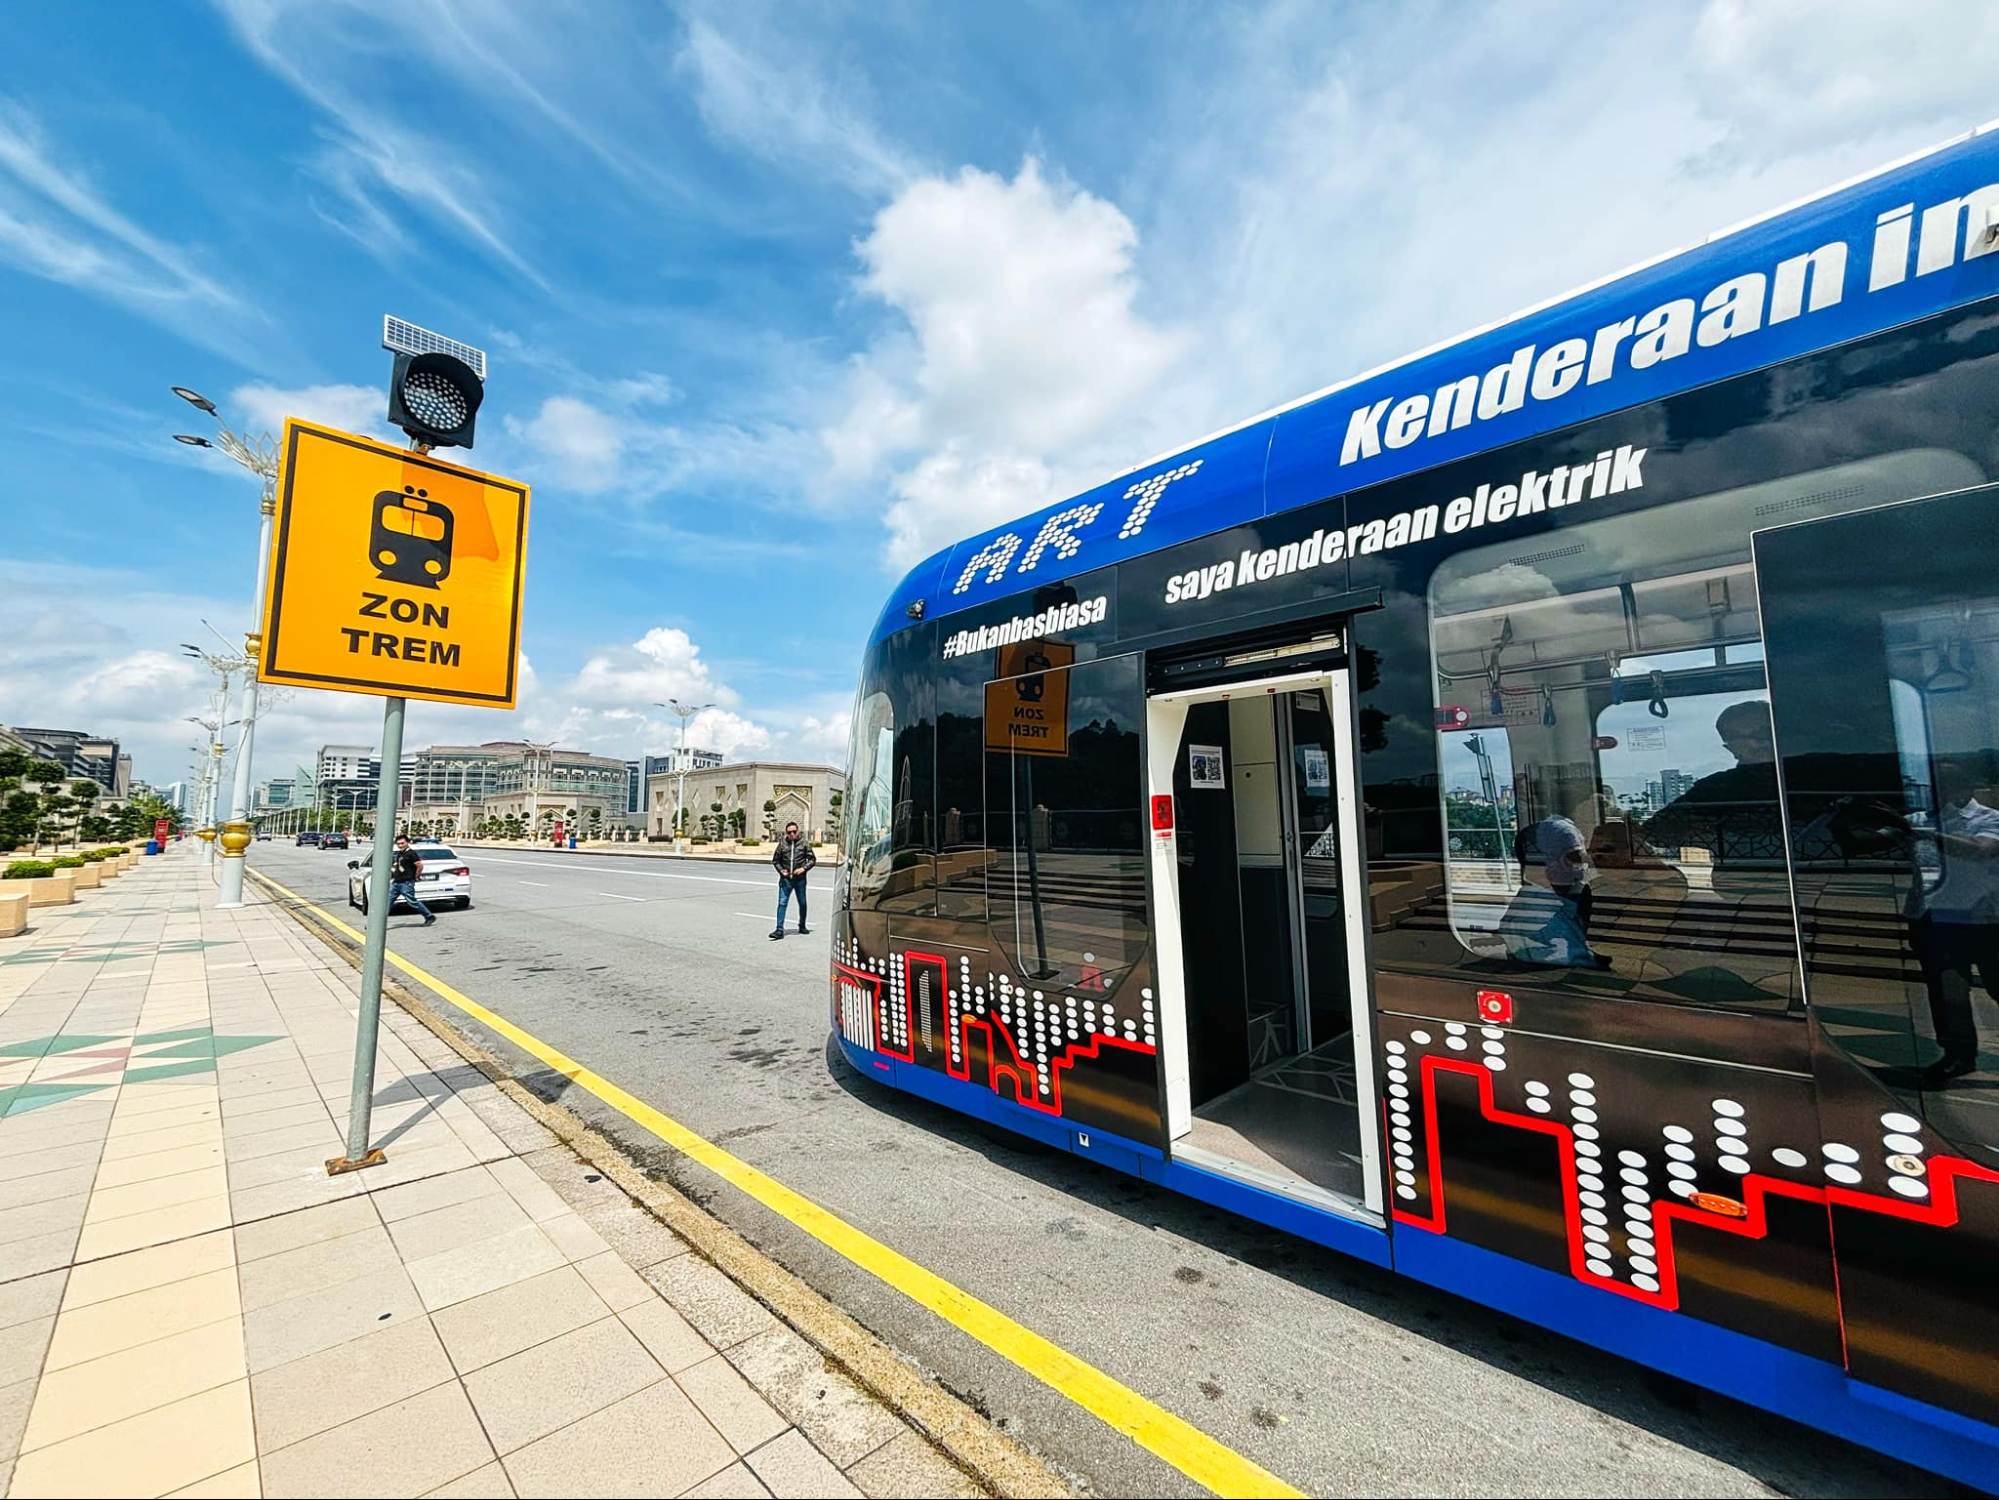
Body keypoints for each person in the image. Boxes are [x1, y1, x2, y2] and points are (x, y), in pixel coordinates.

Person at [770, 821, 816, 939]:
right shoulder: (782, 844)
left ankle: (802, 925)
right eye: (789, 832)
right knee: (782, 903)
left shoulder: (804, 843)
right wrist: (781, 871)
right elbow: (776, 860)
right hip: (786, 880)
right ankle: (779, 929)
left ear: (798, 831)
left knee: (802, 903)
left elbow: (812, 859)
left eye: (794, 832)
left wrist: (803, 868)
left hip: (799, 879)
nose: (791, 834)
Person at [388, 833, 436, 926]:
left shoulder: (411, 853)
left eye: (402, 843)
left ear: (407, 842)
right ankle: (376, 923)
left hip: (406, 883)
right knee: (387, 903)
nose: (400, 845)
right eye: (398, 844)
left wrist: (416, 877)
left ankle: (429, 916)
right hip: (396, 883)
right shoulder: (400, 853)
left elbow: (420, 866)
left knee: (412, 902)